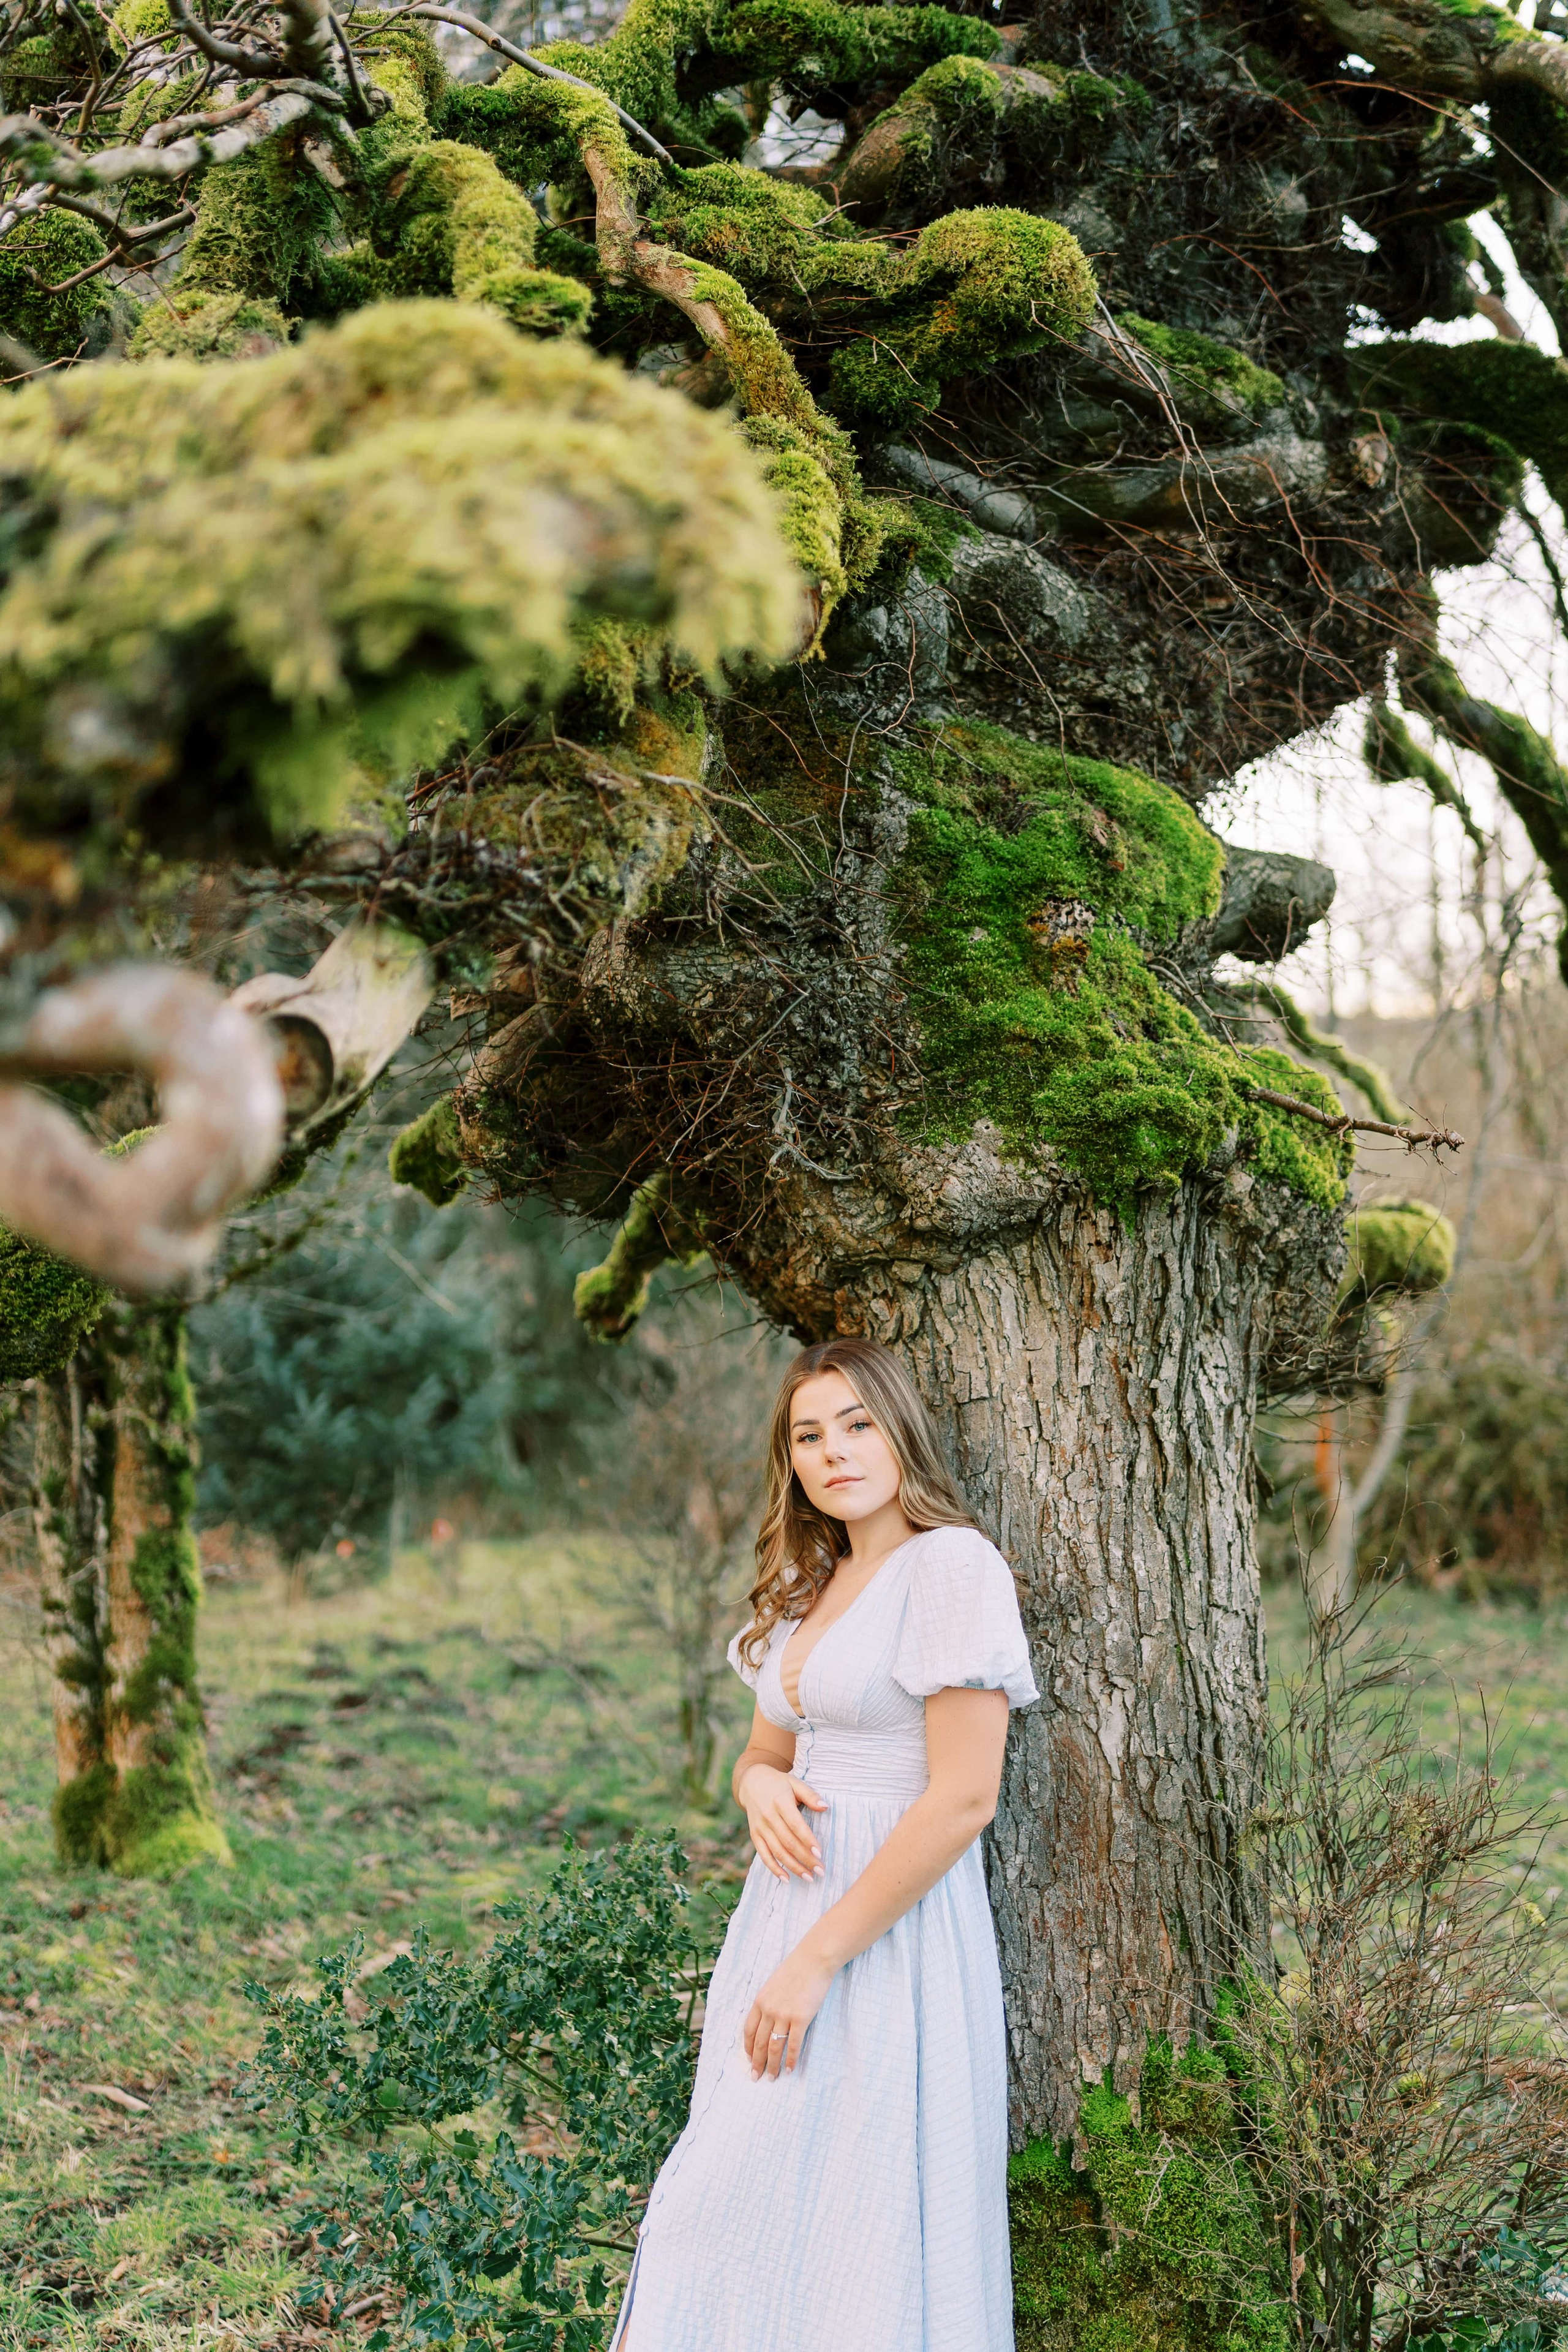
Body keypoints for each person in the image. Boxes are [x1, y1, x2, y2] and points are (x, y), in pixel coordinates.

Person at [611, 1334, 1039, 2352]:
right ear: (790, 1460)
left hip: (886, 1940)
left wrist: (816, 1962)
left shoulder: (951, 1568)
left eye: (855, 1423)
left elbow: (963, 1800)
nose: (833, 1450)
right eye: (809, 1434)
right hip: (782, 1916)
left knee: (863, 2223)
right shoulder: (810, 1584)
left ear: (901, 1433)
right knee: (725, 2205)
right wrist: (759, 1785)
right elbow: (765, 1751)